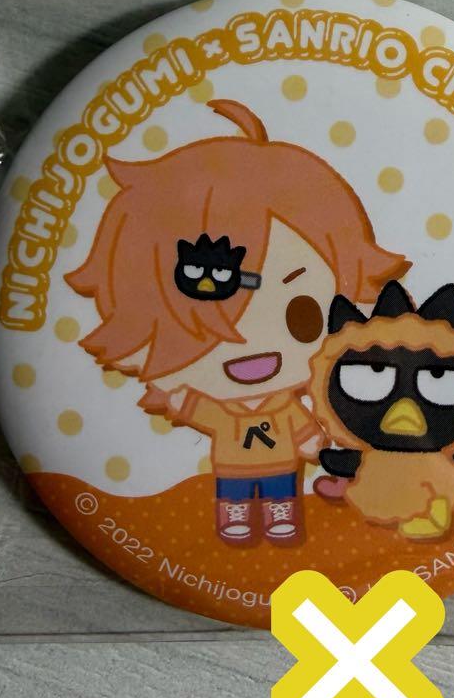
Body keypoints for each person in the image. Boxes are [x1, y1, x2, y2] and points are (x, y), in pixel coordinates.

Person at [67, 99, 408, 545]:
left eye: (301, 313)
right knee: (233, 498)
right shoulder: (223, 410)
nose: (248, 341)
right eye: (203, 329)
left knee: (281, 495)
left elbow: (303, 431)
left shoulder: (282, 407)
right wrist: (174, 396)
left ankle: (279, 518)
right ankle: (235, 520)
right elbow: (191, 406)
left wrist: (317, 445)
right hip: (231, 471)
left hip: (281, 470)